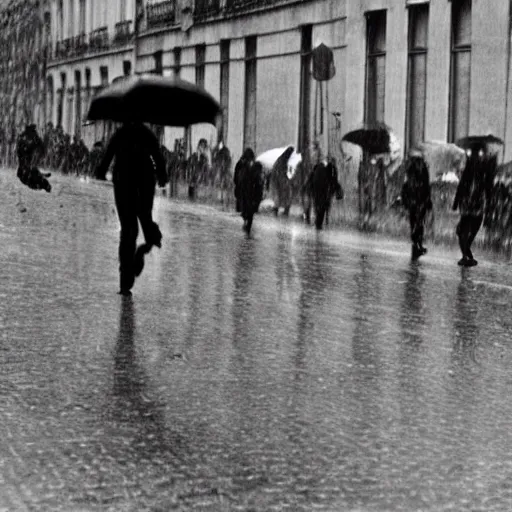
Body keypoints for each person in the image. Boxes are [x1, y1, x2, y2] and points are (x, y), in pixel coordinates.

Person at [96, 122, 168, 296]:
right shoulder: (147, 134)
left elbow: (107, 156)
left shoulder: (120, 133)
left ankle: (125, 278)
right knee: (146, 221)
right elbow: (158, 157)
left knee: (128, 229)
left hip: (124, 183)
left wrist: (102, 170)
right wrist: (161, 176)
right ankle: (144, 249)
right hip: (143, 184)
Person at [452, 143, 496, 267]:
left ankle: (466, 253)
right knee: (465, 229)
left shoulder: (480, 169)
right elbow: (462, 186)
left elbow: (487, 188)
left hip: (474, 203)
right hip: (470, 204)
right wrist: (456, 202)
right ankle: (466, 254)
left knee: (469, 228)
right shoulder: (473, 168)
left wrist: (489, 203)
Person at [401, 149, 432, 259]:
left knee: (414, 222)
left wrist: (404, 199)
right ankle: (418, 245)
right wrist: (428, 201)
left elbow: (406, 185)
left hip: (413, 200)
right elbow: (427, 186)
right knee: (419, 222)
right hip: (421, 200)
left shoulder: (410, 169)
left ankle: (416, 245)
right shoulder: (423, 168)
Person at [234, 148, 264, 235]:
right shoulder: (243, 165)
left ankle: (247, 225)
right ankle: (247, 224)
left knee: (247, 210)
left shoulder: (252, 166)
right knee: (248, 210)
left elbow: (236, 178)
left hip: (248, 192)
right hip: (249, 192)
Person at [16, 124, 51, 192]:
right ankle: (44, 184)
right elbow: (40, 144)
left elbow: (40, 144)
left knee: (28, 172)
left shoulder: (29, 135)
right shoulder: (27, 135)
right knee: (27, 172)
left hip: (27, 157)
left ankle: (44, 184)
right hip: (25, 157)